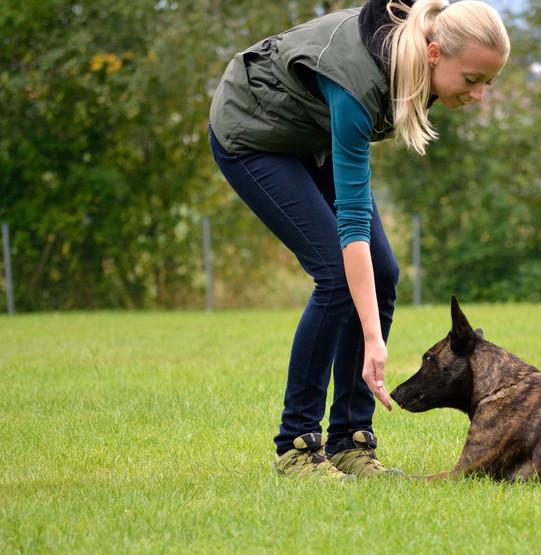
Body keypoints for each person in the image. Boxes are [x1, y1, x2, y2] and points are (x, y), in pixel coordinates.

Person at [208, 0, 510, 479]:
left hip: (311, 135)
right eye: (472, 80)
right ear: (433, 53)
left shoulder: (421, 41)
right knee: (334, 272)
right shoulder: (358, 85)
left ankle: (350, 442)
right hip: (254, 134)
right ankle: (297, 448)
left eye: (488, 83)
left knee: (384, 273)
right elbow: (351, 225)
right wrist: (373, 337)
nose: (478, 96)